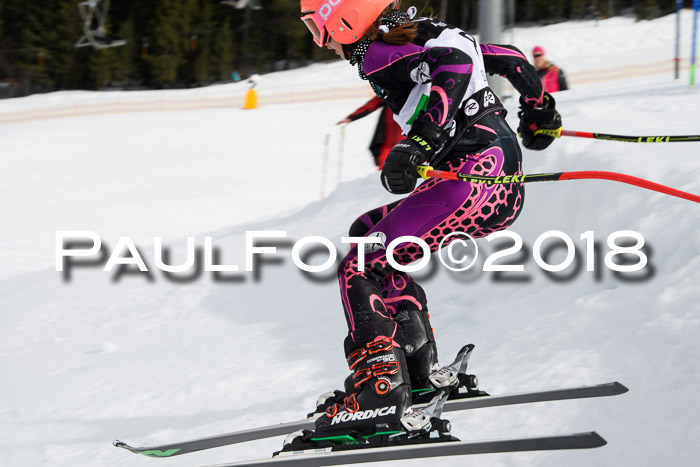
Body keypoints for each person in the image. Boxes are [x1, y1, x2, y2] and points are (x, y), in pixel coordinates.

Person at [299, 0, 562, 438]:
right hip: (495, 178)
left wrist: (422, 139)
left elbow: (455, 65)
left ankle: (381, 393)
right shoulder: (420, 31)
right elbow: (510, 59)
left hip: (473, 179)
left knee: (360, 264)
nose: (320, 41)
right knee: (366, 234)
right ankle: (414, 365)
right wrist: (539, 110)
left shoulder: (378, 49)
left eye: (317, 27)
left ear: (343, 18)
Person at [338, 95, 404, 169]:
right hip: (391, 129)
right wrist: (352, 117)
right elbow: (372, 104)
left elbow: (372, 104)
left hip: (407, 127)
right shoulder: (386, 89)